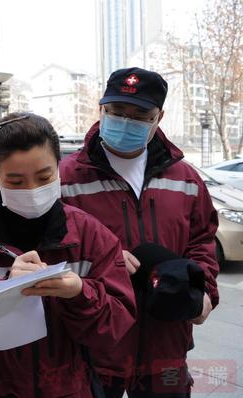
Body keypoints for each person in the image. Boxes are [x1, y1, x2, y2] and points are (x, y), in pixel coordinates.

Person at [0, 113, 136, 398]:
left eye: (45, 177)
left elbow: (117, 325)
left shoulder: (92, 234)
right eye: (16, 182)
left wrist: (80, 292)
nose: (32, 190)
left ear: (59, 167)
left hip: (71, 387)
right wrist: (5, 289)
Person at [60, 67, 219, 397]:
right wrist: (103, 256)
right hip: (94, 345)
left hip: (166, 342)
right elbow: (48, 247)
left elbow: (203, 239)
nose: (125, 122)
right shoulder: (67, 177)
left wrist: (204, 291)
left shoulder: (186, 179)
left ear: (158, 117)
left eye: (139, 115)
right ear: (101, 109)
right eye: (117, 112)